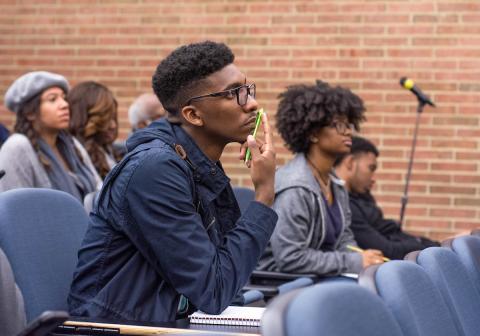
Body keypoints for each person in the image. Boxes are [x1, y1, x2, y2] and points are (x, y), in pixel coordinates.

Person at [68, 41, 277, 322]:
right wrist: (264, 194)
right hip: (117, 327)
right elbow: (214, 290)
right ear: (193, 115)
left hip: (171, 321)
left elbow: (225, 281)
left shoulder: (198, 164)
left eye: (247, 89)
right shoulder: (155, 170)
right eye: (233, 93)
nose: (251, 103)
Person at [258, 80, 384, 277]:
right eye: (339, 125)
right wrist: (354, 262)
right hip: (278, 285)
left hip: (318, 277)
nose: (348, 131)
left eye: (349, 124)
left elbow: (343, 239)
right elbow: (290, 257)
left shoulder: (335, 184)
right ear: (314, 134)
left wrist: (364, 257)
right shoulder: (295, 188)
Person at [0, 71, 101, 201]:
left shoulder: (71, 144)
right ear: (30, 112)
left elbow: (99, 189)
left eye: (64, 98)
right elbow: (16, 209)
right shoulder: (17, 147)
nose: (65, 105)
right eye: (52, 99)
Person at [334, 136, 439, 259]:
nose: (373, 178)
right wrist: (427, 246)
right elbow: (387, 250)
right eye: (371, 168)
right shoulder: (344, 206)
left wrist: (434, 245)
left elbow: (389, 232)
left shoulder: (363, 197)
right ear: (350, 163)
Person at [68, 81, 120, 179]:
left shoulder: (109, 151)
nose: (113, 125)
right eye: (105, 119)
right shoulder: (76, 156)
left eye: (114, 117)